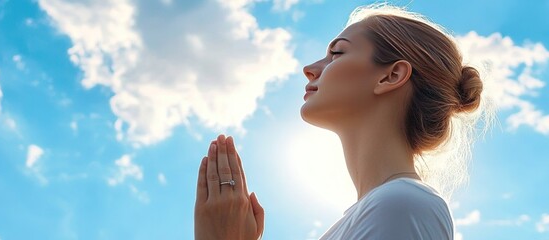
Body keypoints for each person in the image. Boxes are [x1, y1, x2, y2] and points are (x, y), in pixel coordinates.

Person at [194, 2, 488, 240]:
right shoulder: (384, 209)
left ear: (391, 76)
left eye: (336, 53)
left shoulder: (402, 204)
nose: (309, 69)